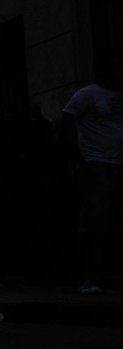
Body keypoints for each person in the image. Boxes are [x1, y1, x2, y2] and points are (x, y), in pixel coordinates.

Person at [59, 64, 123, 294]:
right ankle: (89, 275)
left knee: (112, 220)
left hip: (115, 163)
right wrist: (78, 156)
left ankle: (108, 273)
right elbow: (65, 122)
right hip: (97, 163)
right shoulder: (88, 94)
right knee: (95, 220)